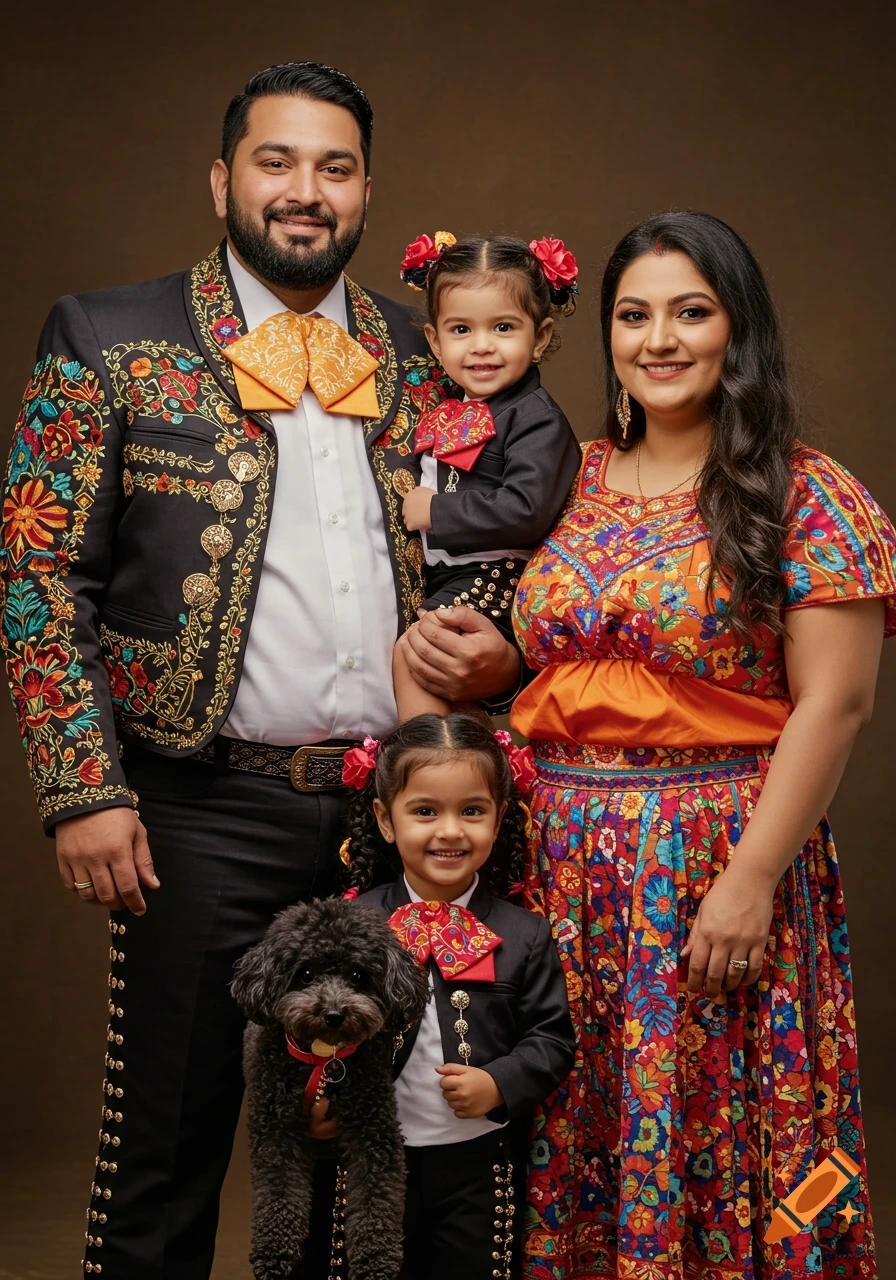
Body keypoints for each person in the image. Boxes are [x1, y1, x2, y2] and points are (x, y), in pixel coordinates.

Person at [0, 63, 522, 1279]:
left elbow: (492, 533)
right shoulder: (107, 333)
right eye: (277, 161)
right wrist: (85, 786)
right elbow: (35, 574)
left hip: (390, 818)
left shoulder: (421, 344)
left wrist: (487, 633)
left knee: (385, 1154)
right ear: (223, 177)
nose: (305, 191)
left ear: (365, 191)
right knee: (167, 1151)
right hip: (197, 808)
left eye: (333, 168)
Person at [512, 211, 893, 1278]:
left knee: (724, 1125)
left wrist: (751, 876)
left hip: (714, 858)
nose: (658, 338)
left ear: (738, 330)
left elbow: (834, 703)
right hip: (553, 872)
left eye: (691, 311)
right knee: (567, 1124)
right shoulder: (560, 479)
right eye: (632, 314)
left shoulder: (802, 491)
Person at [339, 713, 576, 1280]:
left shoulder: (525, 934)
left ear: (500, 820)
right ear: (385, 820)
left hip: (478, 1161)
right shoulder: (352, 924)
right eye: (425, 811)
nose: (450, 831)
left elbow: (551, 1040)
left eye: (472, 810)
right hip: (371, 1163)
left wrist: (500, 1083)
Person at [392, 233, 582, 718]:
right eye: (460, 330)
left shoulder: (535, 418)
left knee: (414, 656)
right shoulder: (451, 409)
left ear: (539, 337)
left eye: (502, 327)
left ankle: (430, 771)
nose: (481, 347)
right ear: (434, 340)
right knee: (450, 690)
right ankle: (466, 769)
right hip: (449, 574)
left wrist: (436, 510)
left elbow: (528, 509)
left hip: (499, 578)